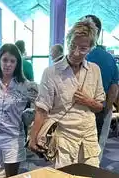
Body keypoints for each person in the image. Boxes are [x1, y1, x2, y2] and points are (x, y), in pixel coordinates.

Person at [29, 18, 105, 168]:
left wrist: (89, 101)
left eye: (83, 48)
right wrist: (33, 137)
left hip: (88, 137)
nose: (76, 52)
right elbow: (42, 109)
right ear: (67, 42)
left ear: (90, 47)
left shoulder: (95, 70)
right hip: (64, 137)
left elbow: (100, 106)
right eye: (72, 46)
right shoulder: (51, 72)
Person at [0, 44, 38, 178]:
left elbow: (43, 105)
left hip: (13, 138)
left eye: (12, 61)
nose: (8, 64)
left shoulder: (26, 85)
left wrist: (29, 115)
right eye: (5, 60)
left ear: (17, 63)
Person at [84, 15, 119, 161]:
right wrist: (106, 109)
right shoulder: (109, 58)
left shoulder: (78, 55)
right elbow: (113, 88)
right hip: (99, 109)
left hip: (81, 110)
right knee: (95, 149)